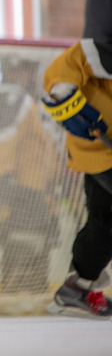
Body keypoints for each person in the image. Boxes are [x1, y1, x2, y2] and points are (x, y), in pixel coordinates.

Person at [0, 57, 62, 297]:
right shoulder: (13, 98)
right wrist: (2, 190)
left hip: (41, 199)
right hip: (23, 199)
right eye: (28, 70)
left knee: (36, 280)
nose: (34, 76)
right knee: (20, 284)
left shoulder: (35, 103)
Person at [41, 39, 112, 319]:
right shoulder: (97, 45)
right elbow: (60, 76)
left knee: (104, 221)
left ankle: (78, 286)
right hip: (99, 151)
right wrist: (71, 109)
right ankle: (77, 286)